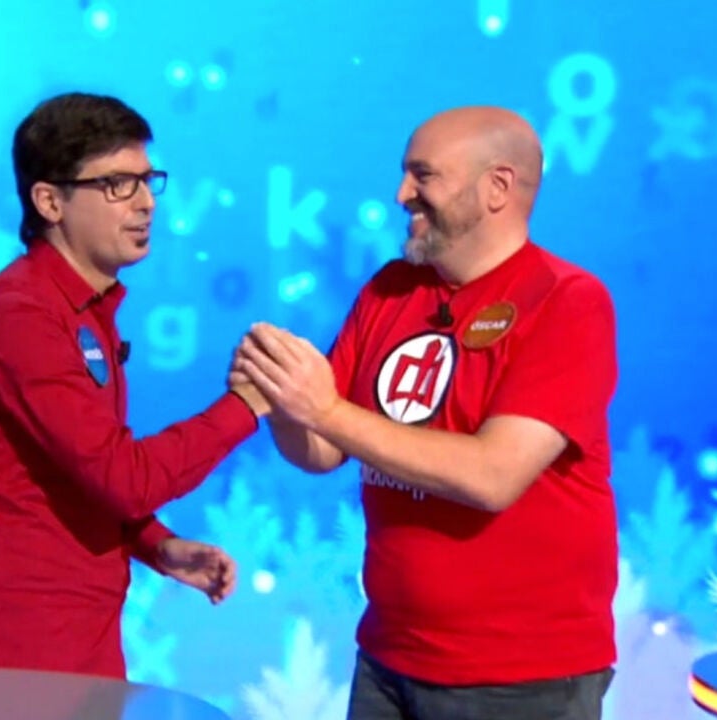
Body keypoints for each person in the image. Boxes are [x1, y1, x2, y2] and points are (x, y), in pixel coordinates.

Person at [235, 106, 619, 720]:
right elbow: (325, 451)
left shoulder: (567, 302)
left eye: (423, 175)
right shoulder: (391, 288)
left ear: (497, 187)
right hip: (388, 658)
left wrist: (323, 408)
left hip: (519, 677)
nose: (401, 195)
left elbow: (493, 475)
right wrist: (281, 399)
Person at [0, 92, 270, 679]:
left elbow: (79, 479)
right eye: (116, 184)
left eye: (148, 181)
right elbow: (124, 479)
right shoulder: (15, 316)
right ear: (49, 201)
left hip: (82, 646)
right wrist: (248, 405)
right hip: (12, 657)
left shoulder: (84, 311)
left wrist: (155, 544)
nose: (145, 202)